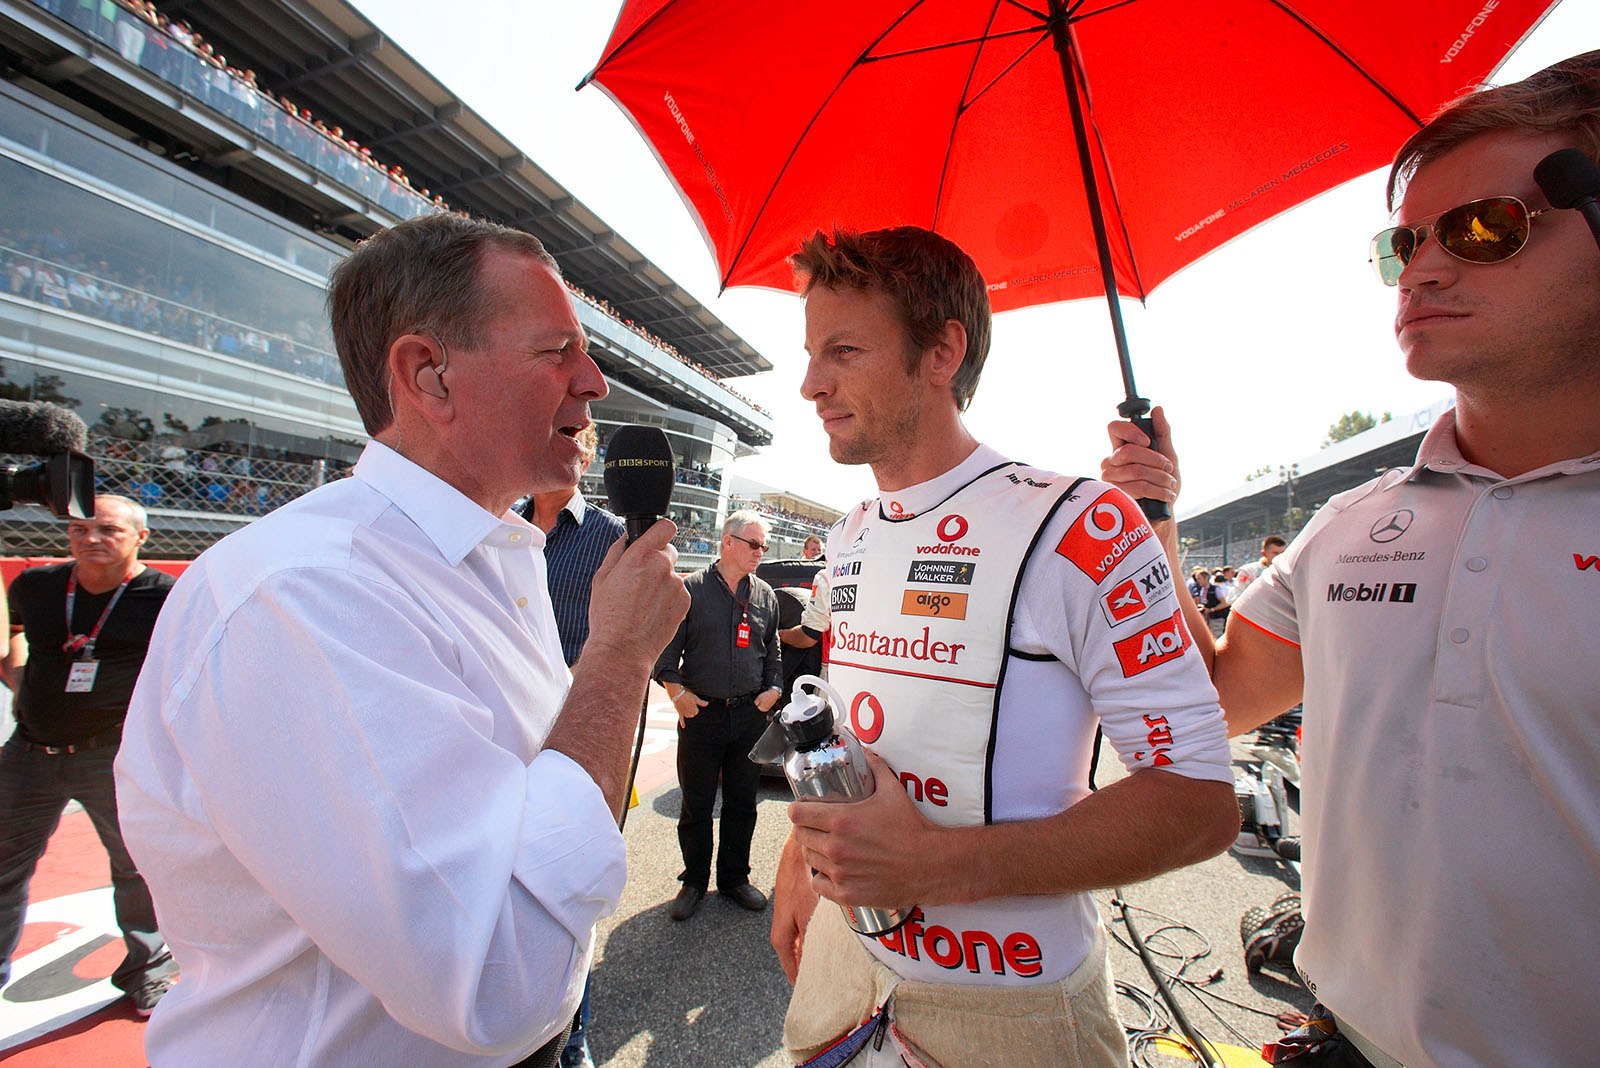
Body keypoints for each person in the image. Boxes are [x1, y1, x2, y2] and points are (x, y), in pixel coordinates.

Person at [1101, 51, 1600, 1068]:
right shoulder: (1345, 526)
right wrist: (1153, 520)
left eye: (1483, 227)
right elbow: (1210, 703)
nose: (1422, 269)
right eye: (1404, 242)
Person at [114, 213, 688, 1067]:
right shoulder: (307, 594)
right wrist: (617, 659)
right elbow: (495, 983)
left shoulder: (497, 557)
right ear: (428, 375)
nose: (594, 382)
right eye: (557, 351)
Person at [773, 226, 1237, 1068]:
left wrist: (932, 866)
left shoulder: (1081, 524)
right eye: (811, 354)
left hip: (1014, 999)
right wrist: (797, 864)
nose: (811, 385)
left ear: (942, 352)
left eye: (843, 351)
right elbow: (847, 731)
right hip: (846, 968)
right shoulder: (848, 534)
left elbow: (1198, 801)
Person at [0, 496, 175, 1014]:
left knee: (136, 868)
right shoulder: (36, 585)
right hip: (29, 750)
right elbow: (15, 637)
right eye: (80, 529)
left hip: (113, 756)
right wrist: (19, 677)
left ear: (141, 537)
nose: (91, 539)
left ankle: (148, 971)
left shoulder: (164, 596)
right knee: (4, 867)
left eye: (108, 530)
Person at [517, 421, 623, 1068]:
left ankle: (572, 1034)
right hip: (508, 730)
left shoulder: (611, 536)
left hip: (574, 726)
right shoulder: (504, 522)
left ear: (588, 456)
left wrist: (578, 685)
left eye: (578, 439)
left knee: (571, 882)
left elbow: (625, 630)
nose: (567, 448)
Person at [654, 510, 783, 922]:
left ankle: (733, 879)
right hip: (703, 715)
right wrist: (678, 695)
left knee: (743, 802)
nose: (760, 552)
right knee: (697, 804)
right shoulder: (690, 590)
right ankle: (693, 881)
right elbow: (663, 654)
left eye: (763, 546)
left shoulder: (765, 595)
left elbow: (773, 651)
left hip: (749, 717)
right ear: (728, 542)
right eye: (754, 544)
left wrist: (774, 689)